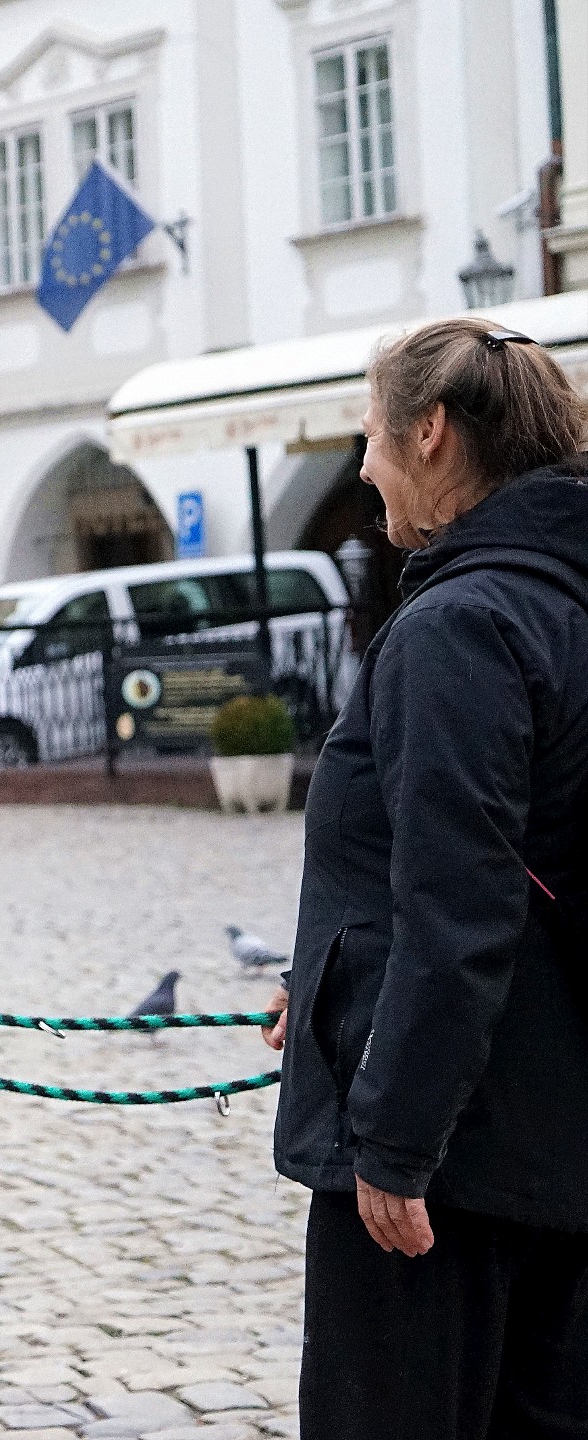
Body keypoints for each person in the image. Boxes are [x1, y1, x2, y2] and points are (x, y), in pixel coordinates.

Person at [260, 317, 588, 1438]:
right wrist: (327, 982)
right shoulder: (559, 601)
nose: (359, 468)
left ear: (431, 433)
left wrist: (391, 1146)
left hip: (450, 1161)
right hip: (551, 1138)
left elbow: (458, 906)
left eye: (368, 436)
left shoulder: (461, 624)